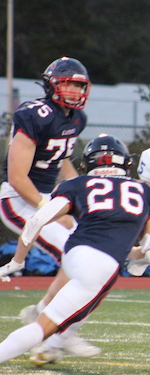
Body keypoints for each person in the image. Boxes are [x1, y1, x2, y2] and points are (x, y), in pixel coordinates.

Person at [0, 134, 150, 366]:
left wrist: (18, 260)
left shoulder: (77, 184)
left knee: (66, 307)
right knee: (42, 328)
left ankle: (52, 332)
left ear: (87, 163)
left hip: (74, 253)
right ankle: (51, 334)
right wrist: (140, 263)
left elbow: (37, 221)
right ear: (126, 161)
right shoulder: (146, 193)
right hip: (100, 266)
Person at [0, 57, 100, 359]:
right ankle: (59, 331)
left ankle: (43, 315)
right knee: (80, 262)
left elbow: (61, 159)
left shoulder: (76, 119)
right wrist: (50, 208)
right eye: (68, 83)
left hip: (49, 199)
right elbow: (18, 178)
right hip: (19, 200)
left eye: (79, 85)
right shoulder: (34, 114)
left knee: (88, 256)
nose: (74, 90)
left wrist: (81, 195)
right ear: (52, 84)